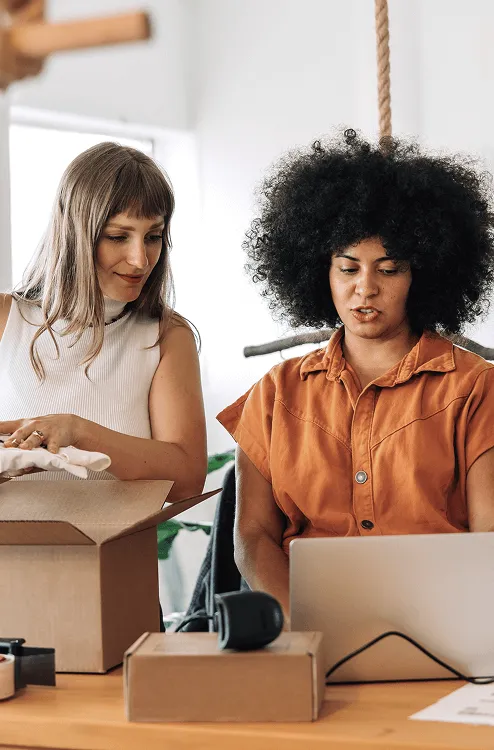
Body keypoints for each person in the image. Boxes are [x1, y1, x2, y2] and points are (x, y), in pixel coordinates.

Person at [217, 130, 494, 622]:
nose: (365, 288)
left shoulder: (474, 387)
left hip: (447, 622)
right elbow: (252, 537)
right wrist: (301, 627)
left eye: (389, 269)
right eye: (348, 268)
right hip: (309, 622)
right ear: (321, 273)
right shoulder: (275, 394)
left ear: (422, 275)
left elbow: (488, 538)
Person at [0, 142, 207, 502]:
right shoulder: (6, 319)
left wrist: (79, 431)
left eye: (154, 236)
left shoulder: (166, 337)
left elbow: (187, 477)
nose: (141, 259)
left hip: (120, 556)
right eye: (117, 237)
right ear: (73, 233)